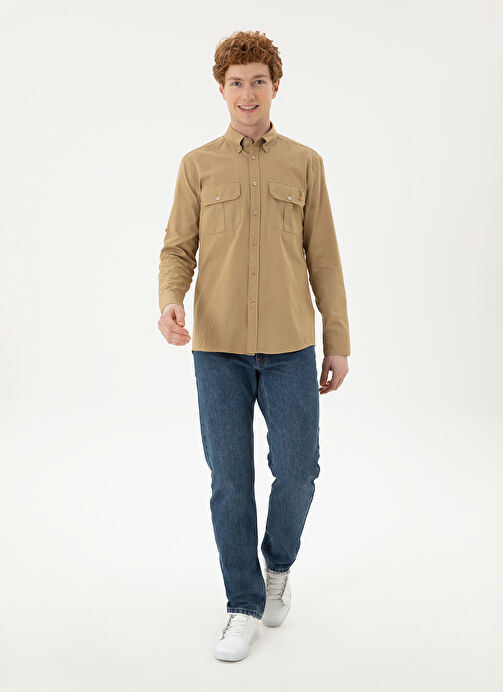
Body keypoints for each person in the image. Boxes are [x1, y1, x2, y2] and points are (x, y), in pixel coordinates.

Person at [157, 30, 350, 662]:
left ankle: (278, 567)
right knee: (230, 480)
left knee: (299, 469)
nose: (247, 93)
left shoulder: (305, 163)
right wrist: (170, 301)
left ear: (275, 86)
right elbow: (177, 249)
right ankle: (242, 604)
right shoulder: (197, 165)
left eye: (258, 81)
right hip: (217, 349)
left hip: (291, 346)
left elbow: (324, 258)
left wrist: (337, 341)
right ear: (221, 89)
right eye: (236, 82)